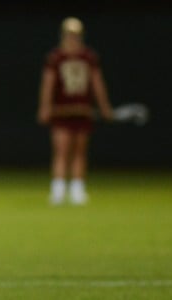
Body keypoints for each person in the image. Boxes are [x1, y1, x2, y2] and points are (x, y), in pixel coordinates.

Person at [37, 17, 113, 205]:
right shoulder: (56, 57)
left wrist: (104, 107)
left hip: (82, 110)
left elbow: (97, 83)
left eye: (75, 35)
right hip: (62, 111)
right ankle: (58, 190)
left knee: (79, 151)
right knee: (61, 151)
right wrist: (45, 107)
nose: (72, 39)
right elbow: (48, 84)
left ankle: (77, 189)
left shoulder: (88, 57)